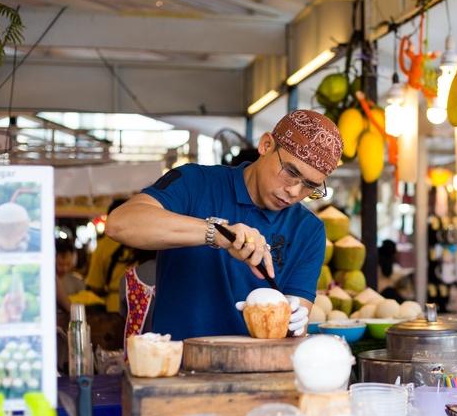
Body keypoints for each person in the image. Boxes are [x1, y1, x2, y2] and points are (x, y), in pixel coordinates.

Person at [105, 110, 343, 340]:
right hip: (178, 371)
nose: (294, 191)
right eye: (290, 171)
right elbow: (120, 224)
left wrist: (294, 322)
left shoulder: (308, 230)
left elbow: (296, 321)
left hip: (258, 374)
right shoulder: (195, 183)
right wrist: (216, 232)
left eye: (310, 186)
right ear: (266, 145)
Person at [85, 199, 134, 313]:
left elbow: (95, 285)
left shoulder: (103, 246)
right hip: (143, 303)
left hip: (114, 306)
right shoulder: (145, 242)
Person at [119, 248, 157, 359]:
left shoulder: (128, 279)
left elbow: (124, 316)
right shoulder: (186, 275)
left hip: (140, 359)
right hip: (176, 355)